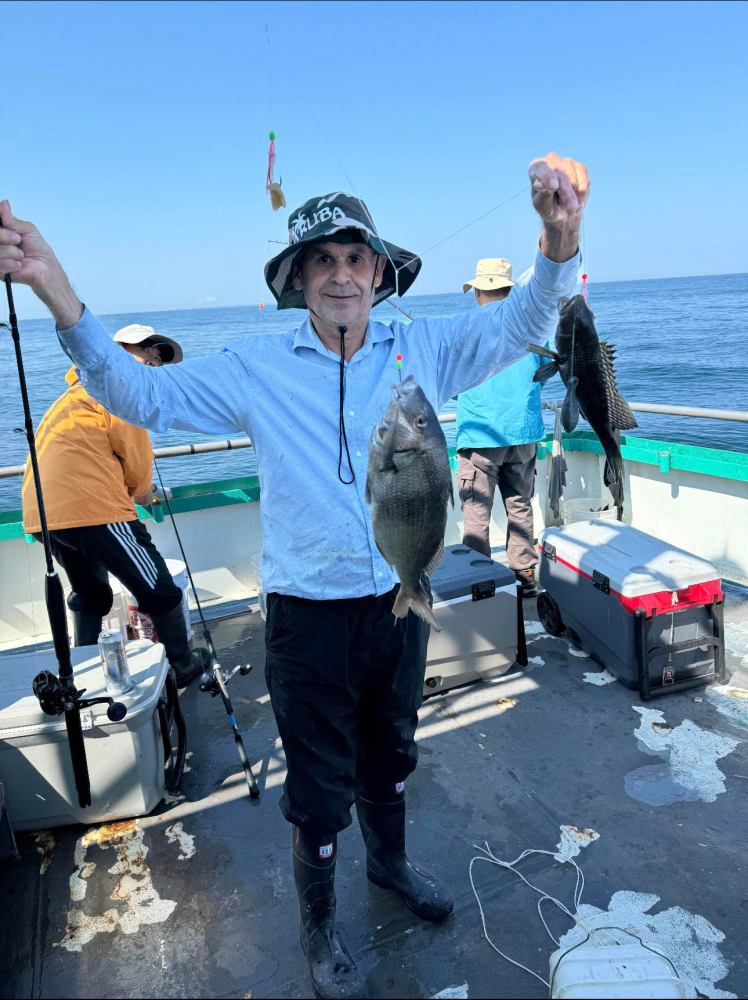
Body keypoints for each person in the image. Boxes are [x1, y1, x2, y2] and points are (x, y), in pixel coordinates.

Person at [0, 152, 589, 1000]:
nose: (342, 275)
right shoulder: (256, 367)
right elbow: (137, 393)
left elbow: (527, 319)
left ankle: (388, 866)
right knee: (316, 787)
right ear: (300, 278)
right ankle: (317, 924)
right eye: (324, 260)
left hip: (399, 601)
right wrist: (59, 291)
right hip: (306, 616)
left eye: (357, 258)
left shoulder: (424, 348)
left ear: (380, 274)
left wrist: (558, 237)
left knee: (391, 755)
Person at [20, 323, 202, 688]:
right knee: (160, 591)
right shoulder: (118, 390)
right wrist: (144, 492)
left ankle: (83, 672)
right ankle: (183, 666)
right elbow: (136, 464)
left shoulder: (73, 396)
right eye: (144, 352)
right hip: (94, 510)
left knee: (92, 595)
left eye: (156, 358)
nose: (151, 361)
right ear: (111, 351)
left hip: (44, 514)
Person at [456, 257, 546, 597]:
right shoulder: (532, 327)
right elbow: (548, 366)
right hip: (524, 435)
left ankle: (478, 586)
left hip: (481, 436)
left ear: (479, 291)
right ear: (509, 291)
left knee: (477, 513)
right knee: (519, 507)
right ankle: (524, 577)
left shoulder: (466, 328)